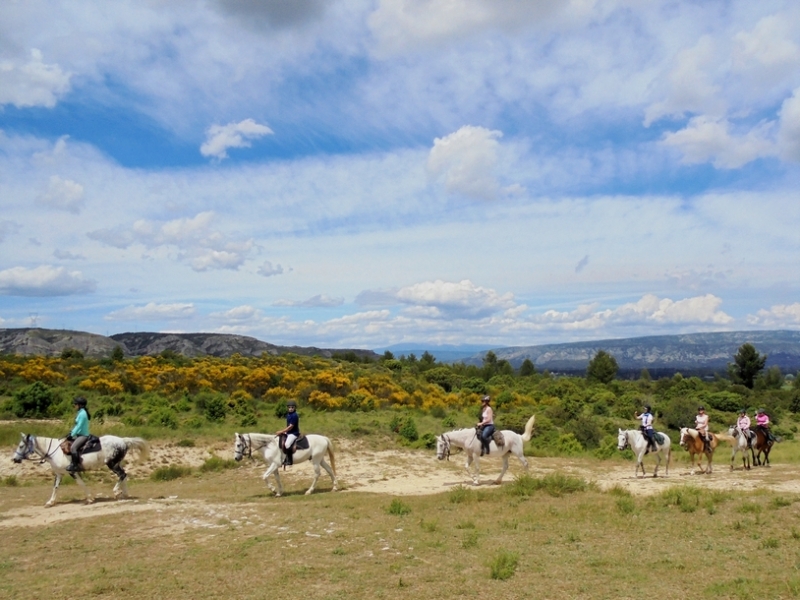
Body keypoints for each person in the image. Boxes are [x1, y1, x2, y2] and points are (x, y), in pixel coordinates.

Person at [66, 397, 91, 473]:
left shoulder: (82, 414)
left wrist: (72, 434)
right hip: (79, 434)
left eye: (76, 404)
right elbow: (76, 426)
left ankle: (75, 465)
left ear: (80, 405)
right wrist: (71, 432)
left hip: (83, 435)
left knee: (73, 447)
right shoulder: (80, 412)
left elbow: (79, 426)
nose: (75, 405)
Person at [276, 400, 300, 466]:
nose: (291, 409)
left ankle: (289, 460)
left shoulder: (295, 415)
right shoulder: (288, 415)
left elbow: (290, 427)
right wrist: (284, 432)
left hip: (294, 433)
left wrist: (281, 431)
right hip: (289, 432)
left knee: (287, 444)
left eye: (292, 407)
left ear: (294, 408)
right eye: (289, 407)